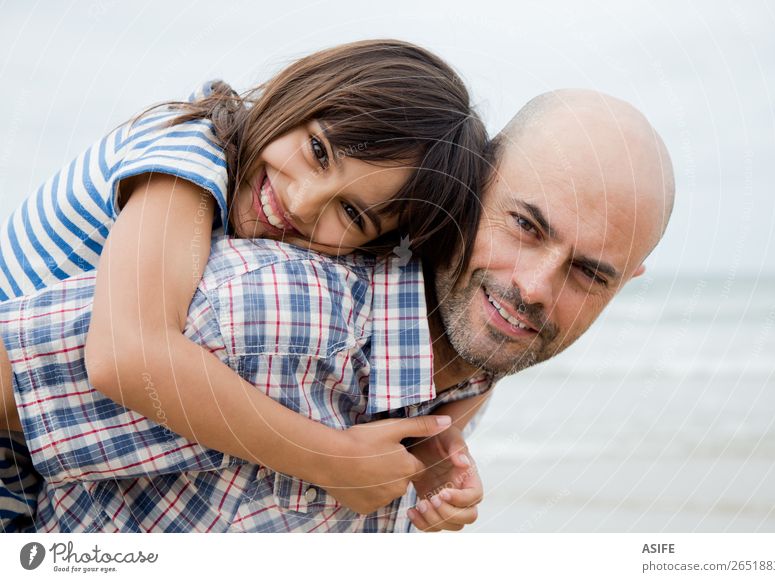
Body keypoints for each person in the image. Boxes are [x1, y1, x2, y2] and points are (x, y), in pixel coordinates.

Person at [0, 88, 675, 532]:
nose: (534, 286)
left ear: (626, 283)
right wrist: (324, 456)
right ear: (469, 189)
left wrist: (439, 450)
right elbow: (109, 355)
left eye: (589, 273)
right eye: (526, 226)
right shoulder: (268, 301)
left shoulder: (457, 376)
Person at [0, 39, 490, 532]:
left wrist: (429, 450)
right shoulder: (189, 154)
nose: (301, 202)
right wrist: (329, 457)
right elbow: (126, 353)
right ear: (300, 91)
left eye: (351, 212)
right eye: (319, 151)